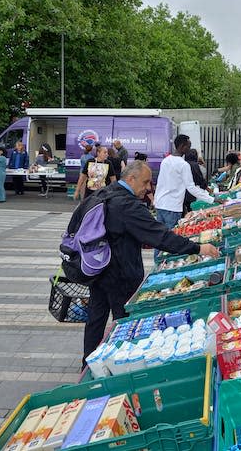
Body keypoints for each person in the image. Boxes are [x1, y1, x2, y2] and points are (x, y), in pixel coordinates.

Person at [82, 160, 220, 367]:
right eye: (146, 182)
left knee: (96, 318)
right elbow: (161, 236)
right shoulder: (127, 205)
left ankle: (88, 363)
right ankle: (120, 366)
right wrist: (199, 248)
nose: (148, 188)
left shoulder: (105, 193)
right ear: (131, 179)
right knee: (124, 323)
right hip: (120, 273)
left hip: (98, 268)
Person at [154, 134, 215, 231]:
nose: (189, 149)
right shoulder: (183, 165)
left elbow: (160, 183)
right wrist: (211, 199)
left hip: (160, 204)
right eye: (189, 146)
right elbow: (191, 187)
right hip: (172, 207)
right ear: (182, 146)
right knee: (171, 238)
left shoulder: (165, 161)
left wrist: (155, 201)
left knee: (159, 237)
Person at [183, 148, 207, 215]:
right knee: (191, 212)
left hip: (182, 193)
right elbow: (200, 180)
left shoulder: (183, 164)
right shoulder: (195, 165)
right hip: (191, 193)